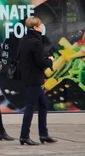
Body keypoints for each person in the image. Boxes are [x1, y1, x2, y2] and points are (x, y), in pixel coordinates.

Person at [18, 16, 58, 146]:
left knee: (44, 103)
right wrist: (50, 60)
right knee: (30, 106)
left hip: (27, 76)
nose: (42, 27)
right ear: (35, 27)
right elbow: (41, 62)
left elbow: (23, 57)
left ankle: (43, 134)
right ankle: (24, 135)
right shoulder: (36, 41)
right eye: (40, 25)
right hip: (34, 78)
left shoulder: (24, 40)